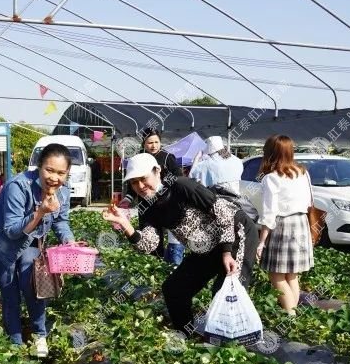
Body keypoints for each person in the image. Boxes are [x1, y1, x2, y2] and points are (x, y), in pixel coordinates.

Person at [101, 153, 259, 336]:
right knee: (174, 288)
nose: (141, 186)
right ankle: (187, 336)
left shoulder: (181, 186)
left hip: (236, 235)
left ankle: (235, 344)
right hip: (205, 248)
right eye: (134, 183)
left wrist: (226, 252)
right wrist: (125, 224)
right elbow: (149, 244)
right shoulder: (147, 207)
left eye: (143, 179)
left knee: (225, 292)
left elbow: (225, 214)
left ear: (157, 171)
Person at [0, 143, 75, 357]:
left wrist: (68, 241)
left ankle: (38, 336)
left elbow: (61, 222)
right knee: (10, 293)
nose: (54, 178)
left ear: (67, 173)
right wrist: (40, 212)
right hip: (2, 244)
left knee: (34, 284)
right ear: (38, 167)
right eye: (49, 170)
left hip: (30, 241)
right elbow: (12, 231)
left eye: (61, 173)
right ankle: (14, 344)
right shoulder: (18, 186)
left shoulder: (63, 192)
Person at [255, 135, 314, 315]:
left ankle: (291, 316)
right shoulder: (302, 172)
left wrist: (261, 242)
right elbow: (310, 200)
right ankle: (293, 315)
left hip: (283, 226)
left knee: (276, 274)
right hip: (301, 223)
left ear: (270, 153)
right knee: (292, 275)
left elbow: (269, 213)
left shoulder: (272, 178)